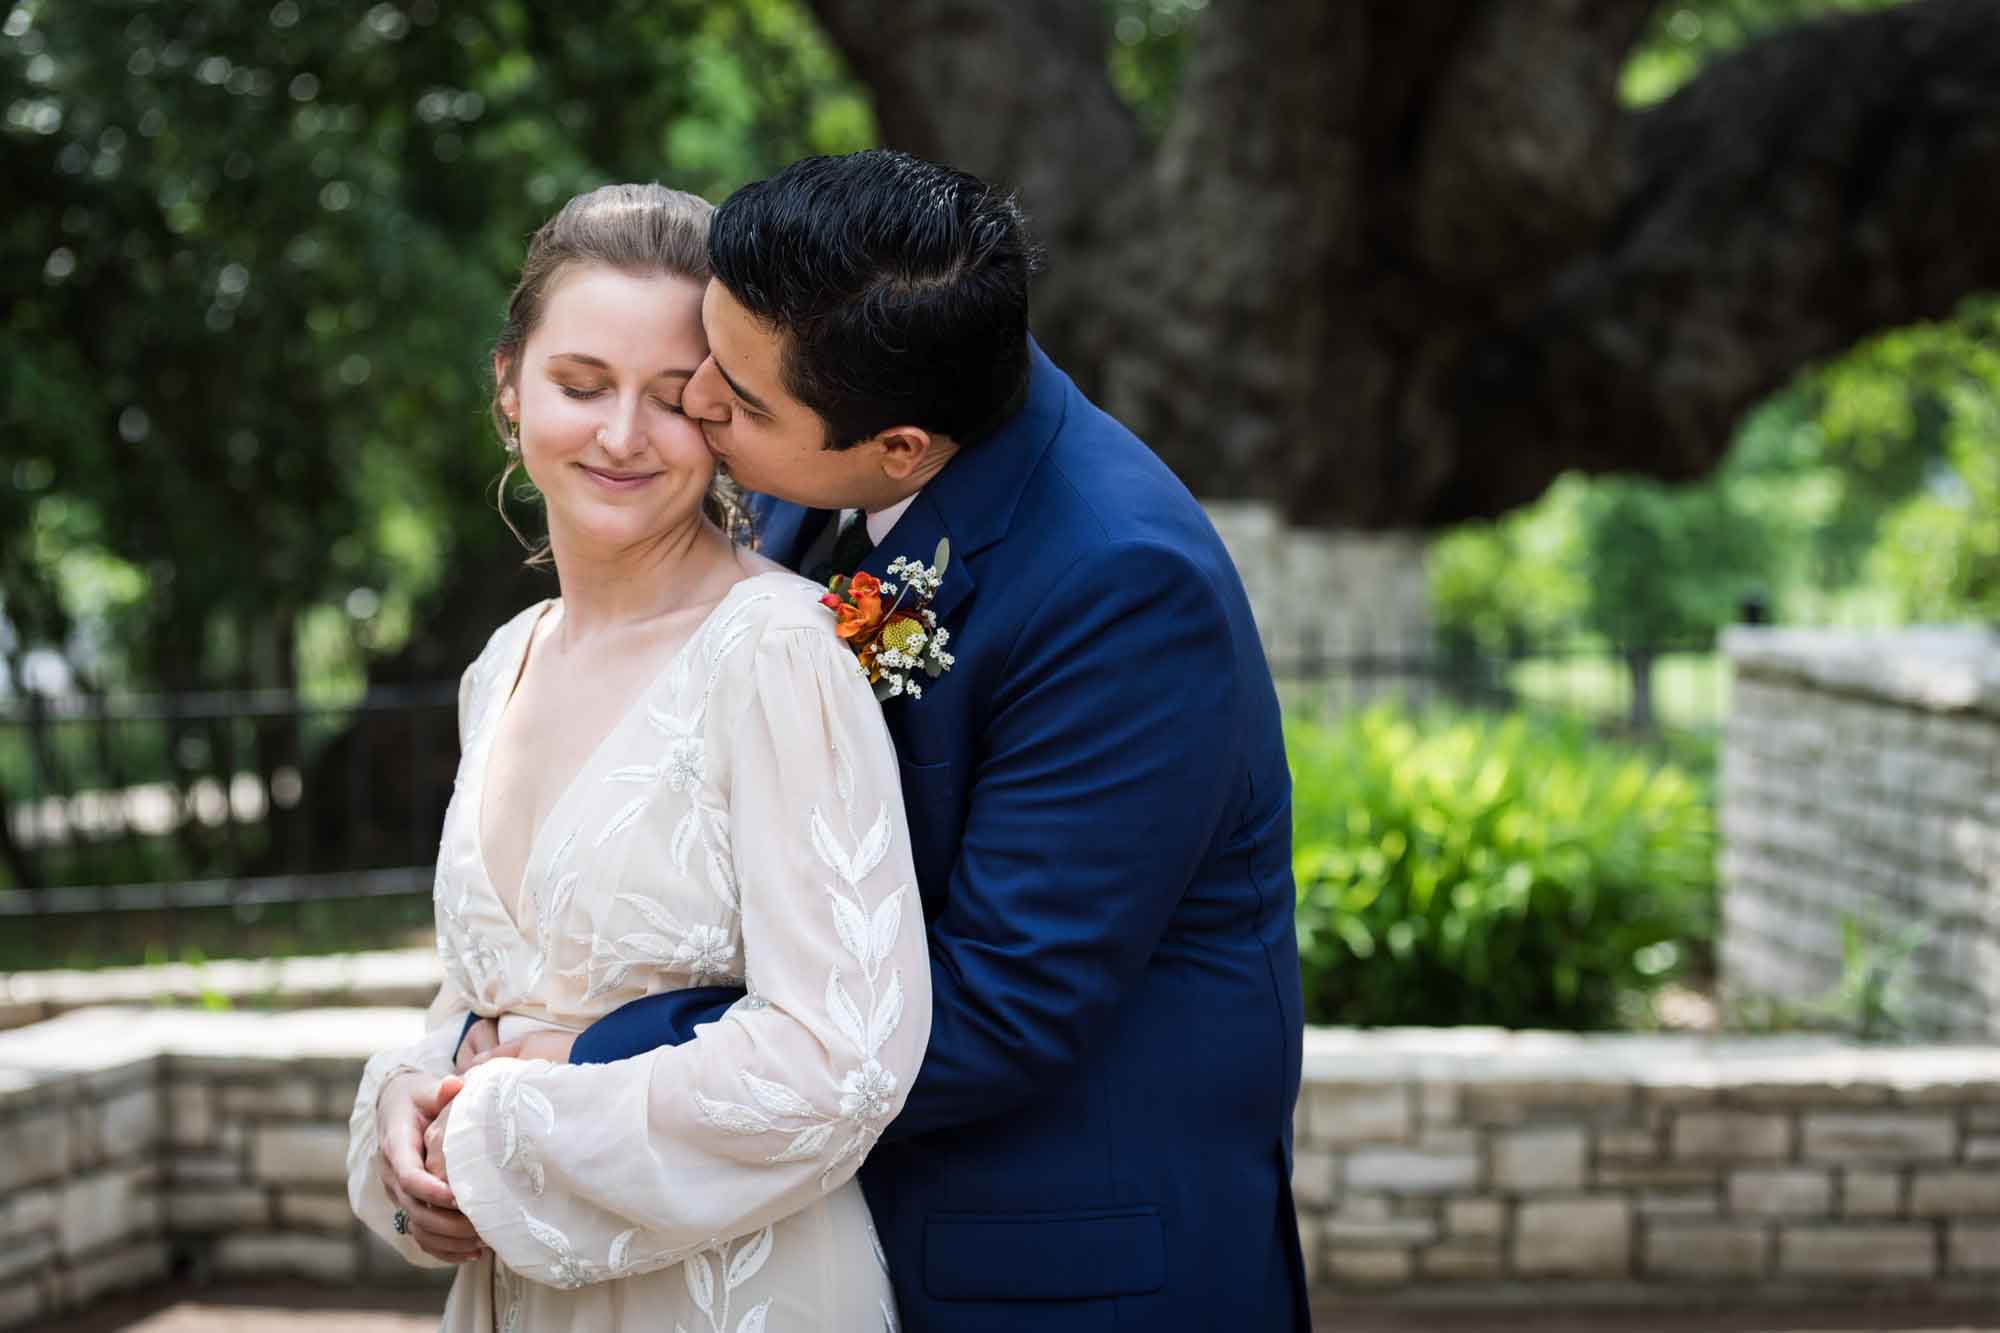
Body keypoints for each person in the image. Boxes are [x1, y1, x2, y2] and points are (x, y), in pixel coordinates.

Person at [563, 151, 1311, 1330]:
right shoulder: (836, 429)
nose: (695, 399)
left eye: (741, 401)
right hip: (830, 1213)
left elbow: (1004, 1003)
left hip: (1051, 1260)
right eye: (712, 345)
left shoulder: (1123, 590)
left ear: (902, 447)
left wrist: (596, 1055)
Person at [345, 181, 930, 1331]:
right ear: (508, 387)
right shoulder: (501, 663)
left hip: (729, 1291)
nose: (621, 436)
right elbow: (497, 986)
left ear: (722, 416)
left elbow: (839, 1058)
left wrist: (504, 1136)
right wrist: (414, 1100)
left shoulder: (777, 652)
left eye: (673, 399)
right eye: (579, 385)